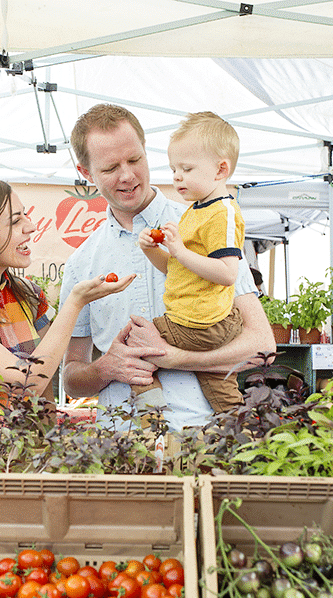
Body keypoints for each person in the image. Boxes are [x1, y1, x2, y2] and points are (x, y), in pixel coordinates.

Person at [59, 104, 275, 431]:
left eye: (135, 160)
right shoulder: (81, 263)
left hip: (206, 438)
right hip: (123, 445)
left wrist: (178, 358)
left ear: (147, 152)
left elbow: (263, 348)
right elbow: (71, 380)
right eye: (110, 168)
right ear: (86, 173)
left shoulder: (208, 224)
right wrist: (106, 368)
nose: (128, 175)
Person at [0, 177, 131, 399]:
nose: (31, 227)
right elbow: (26, 383)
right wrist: (75, 302)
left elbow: (45, 382)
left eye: (25, 215)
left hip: (28, 434)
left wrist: (48, 432)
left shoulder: (29, 295)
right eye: (15, 221)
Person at [134, 111, 245, 414]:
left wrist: (180, 250)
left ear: (221, 169)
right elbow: (175, 269)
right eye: (173, 169)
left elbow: (227, 274)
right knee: (219, 384)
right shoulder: (196, 209)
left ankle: (153, 425)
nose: (177, 177)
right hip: (202, 320)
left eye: (186, 168)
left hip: (197, 323)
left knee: (134, 349)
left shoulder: (223, 213)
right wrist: (151, 250)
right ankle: (239, 430)